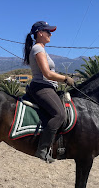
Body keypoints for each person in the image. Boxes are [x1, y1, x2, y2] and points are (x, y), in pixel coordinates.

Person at [23, 21, 75, 163]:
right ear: (40, 33)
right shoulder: (38, 49)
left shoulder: (42, 49)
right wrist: (65, 79)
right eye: (48, 31)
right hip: (41, 87)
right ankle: (42, 149)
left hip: (48, 86)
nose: (50, 34)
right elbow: (47, 73)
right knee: (59, 115)